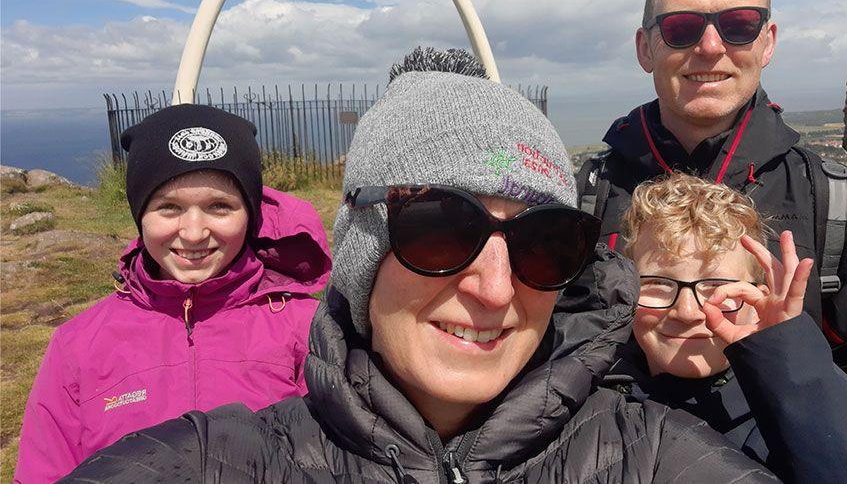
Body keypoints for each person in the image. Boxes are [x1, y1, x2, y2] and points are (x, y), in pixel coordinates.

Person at [62, 67, 779, 482]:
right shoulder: (224, 462)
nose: (496, 288)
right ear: (361, 253)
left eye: (544, 242)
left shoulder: (656, 460)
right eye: (441, 229)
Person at [572, 0, 847, 446]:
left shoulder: (831, 200)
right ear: (645, 47)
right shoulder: (587, 195)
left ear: (767, 41)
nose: (711, 47)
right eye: (681, 27)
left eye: (738, 24)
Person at [14, 104, 332, 482]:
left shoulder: (308, 330)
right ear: (139, 214)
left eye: (219, 206)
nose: (194, 232)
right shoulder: (77, 346)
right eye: (169, 207)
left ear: (249, 213)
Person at [602, 173, 847, 482]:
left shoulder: (788, 419)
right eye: (657, 283)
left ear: (759, 295)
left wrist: (786, 357)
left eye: (716, 286)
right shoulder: (594, 400)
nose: (687, 312)